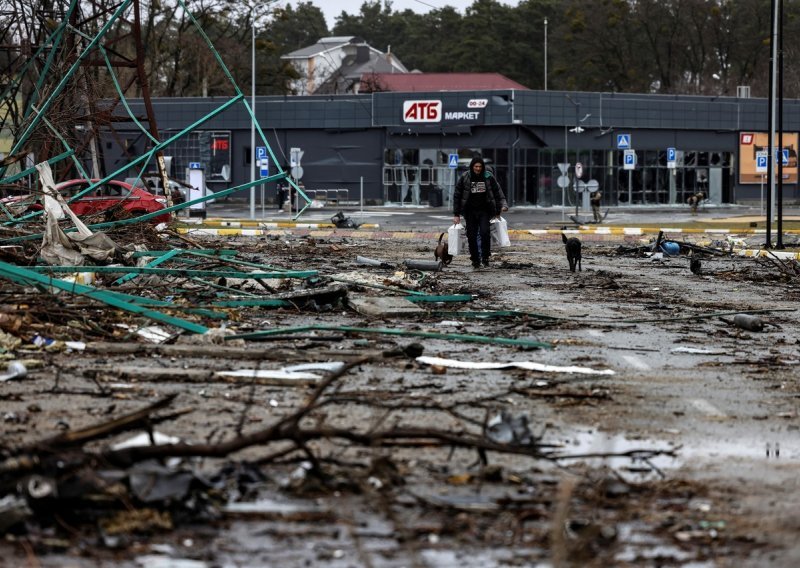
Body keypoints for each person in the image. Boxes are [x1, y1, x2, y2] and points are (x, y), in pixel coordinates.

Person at [453, 156, 508, 269]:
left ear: (483, 167)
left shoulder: (488, 176)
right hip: (470, 212)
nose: (478, 169)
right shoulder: (465, 177)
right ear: (472, 167)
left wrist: (498, 210)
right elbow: (457, 196)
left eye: (480, 166)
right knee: (471, 236)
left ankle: (485, 257)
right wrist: (456, 214)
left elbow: (497, 194)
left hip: (484, 211)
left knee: (484, 233)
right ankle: (475, 259)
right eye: (476, 166)